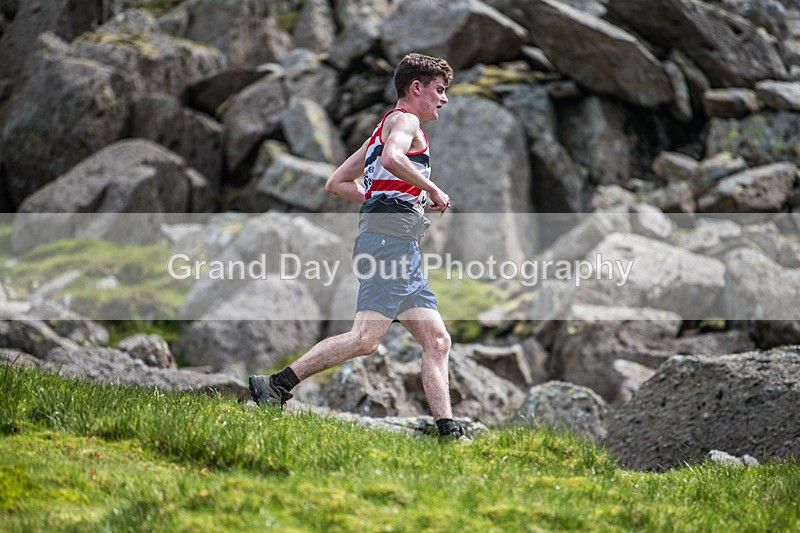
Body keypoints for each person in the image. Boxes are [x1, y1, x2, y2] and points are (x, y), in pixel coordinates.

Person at [249, 53, 469, 442]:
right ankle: (275, 385)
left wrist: (398, 197)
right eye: (439, 90)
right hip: (389, 243)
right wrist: (431, 188)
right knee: (365, 339)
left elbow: (336, 183)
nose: (444, 98)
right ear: (416, 87)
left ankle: (449, 431)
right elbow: (393, 158)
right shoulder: (406, 121)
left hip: (396, 242)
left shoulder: (379, 131)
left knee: (437, 340)